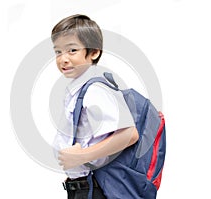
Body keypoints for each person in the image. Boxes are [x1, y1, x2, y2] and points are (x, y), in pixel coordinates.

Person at [51, 14, 139, 199]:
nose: (63, 59)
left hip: (95, 188)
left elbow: (129, 134)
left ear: (94, 52)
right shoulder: (79, 89)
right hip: (83, 187)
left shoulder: (96, 90)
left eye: (72, 50)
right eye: (58, 52)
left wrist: (82, 156)